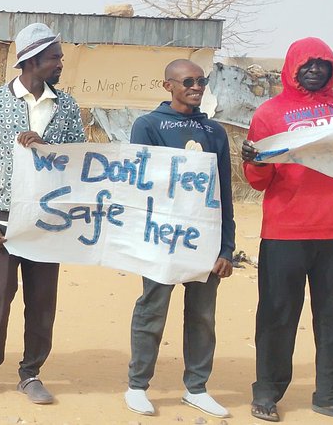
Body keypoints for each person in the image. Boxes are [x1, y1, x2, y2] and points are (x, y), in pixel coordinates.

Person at [241, 38, 333, 425]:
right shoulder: (270, 112)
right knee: (277, 314)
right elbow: (258, 182)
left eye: (322, 64)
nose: (315, 69)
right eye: (307, 64)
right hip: (285, 231)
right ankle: (267, 392)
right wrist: (255, 161)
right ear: (291, 68)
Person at [0, 22, 84, 404]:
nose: (60, 63)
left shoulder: (66, 106)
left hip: (49, 218)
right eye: (54, 57)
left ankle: (31, 373)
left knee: (42, 300)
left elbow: (79, 159)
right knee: (0, 295)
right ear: (32, 60)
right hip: (5, 217)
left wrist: (46, 146)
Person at [123, 59, 235, 418]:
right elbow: (141, 183)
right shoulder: (149, 126)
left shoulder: (214, 131)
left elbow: (224, 192)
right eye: (188, 81)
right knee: (152, 310)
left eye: (201, 81)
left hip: (205, 239)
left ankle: (197, 388)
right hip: (162, 238)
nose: (197, 87)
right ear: (168, 85)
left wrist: (227, 247)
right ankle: (137, 386)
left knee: (202, 316)